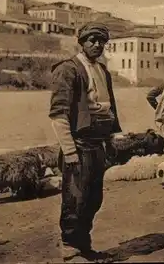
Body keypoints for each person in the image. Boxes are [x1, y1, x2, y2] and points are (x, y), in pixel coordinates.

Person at [49, 22, 122, 262]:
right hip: (78, 146)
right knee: (75, 199)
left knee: (94, 198)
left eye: (101, 41)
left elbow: (110, 111)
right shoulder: (68, 70)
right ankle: (70, 247)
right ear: (81, 42)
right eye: (92, 40)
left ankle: (84, 244)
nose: (97, 44)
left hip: (97, 145)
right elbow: (59, 115)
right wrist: (69, 152)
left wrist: (110, 141)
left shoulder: (103, 72)